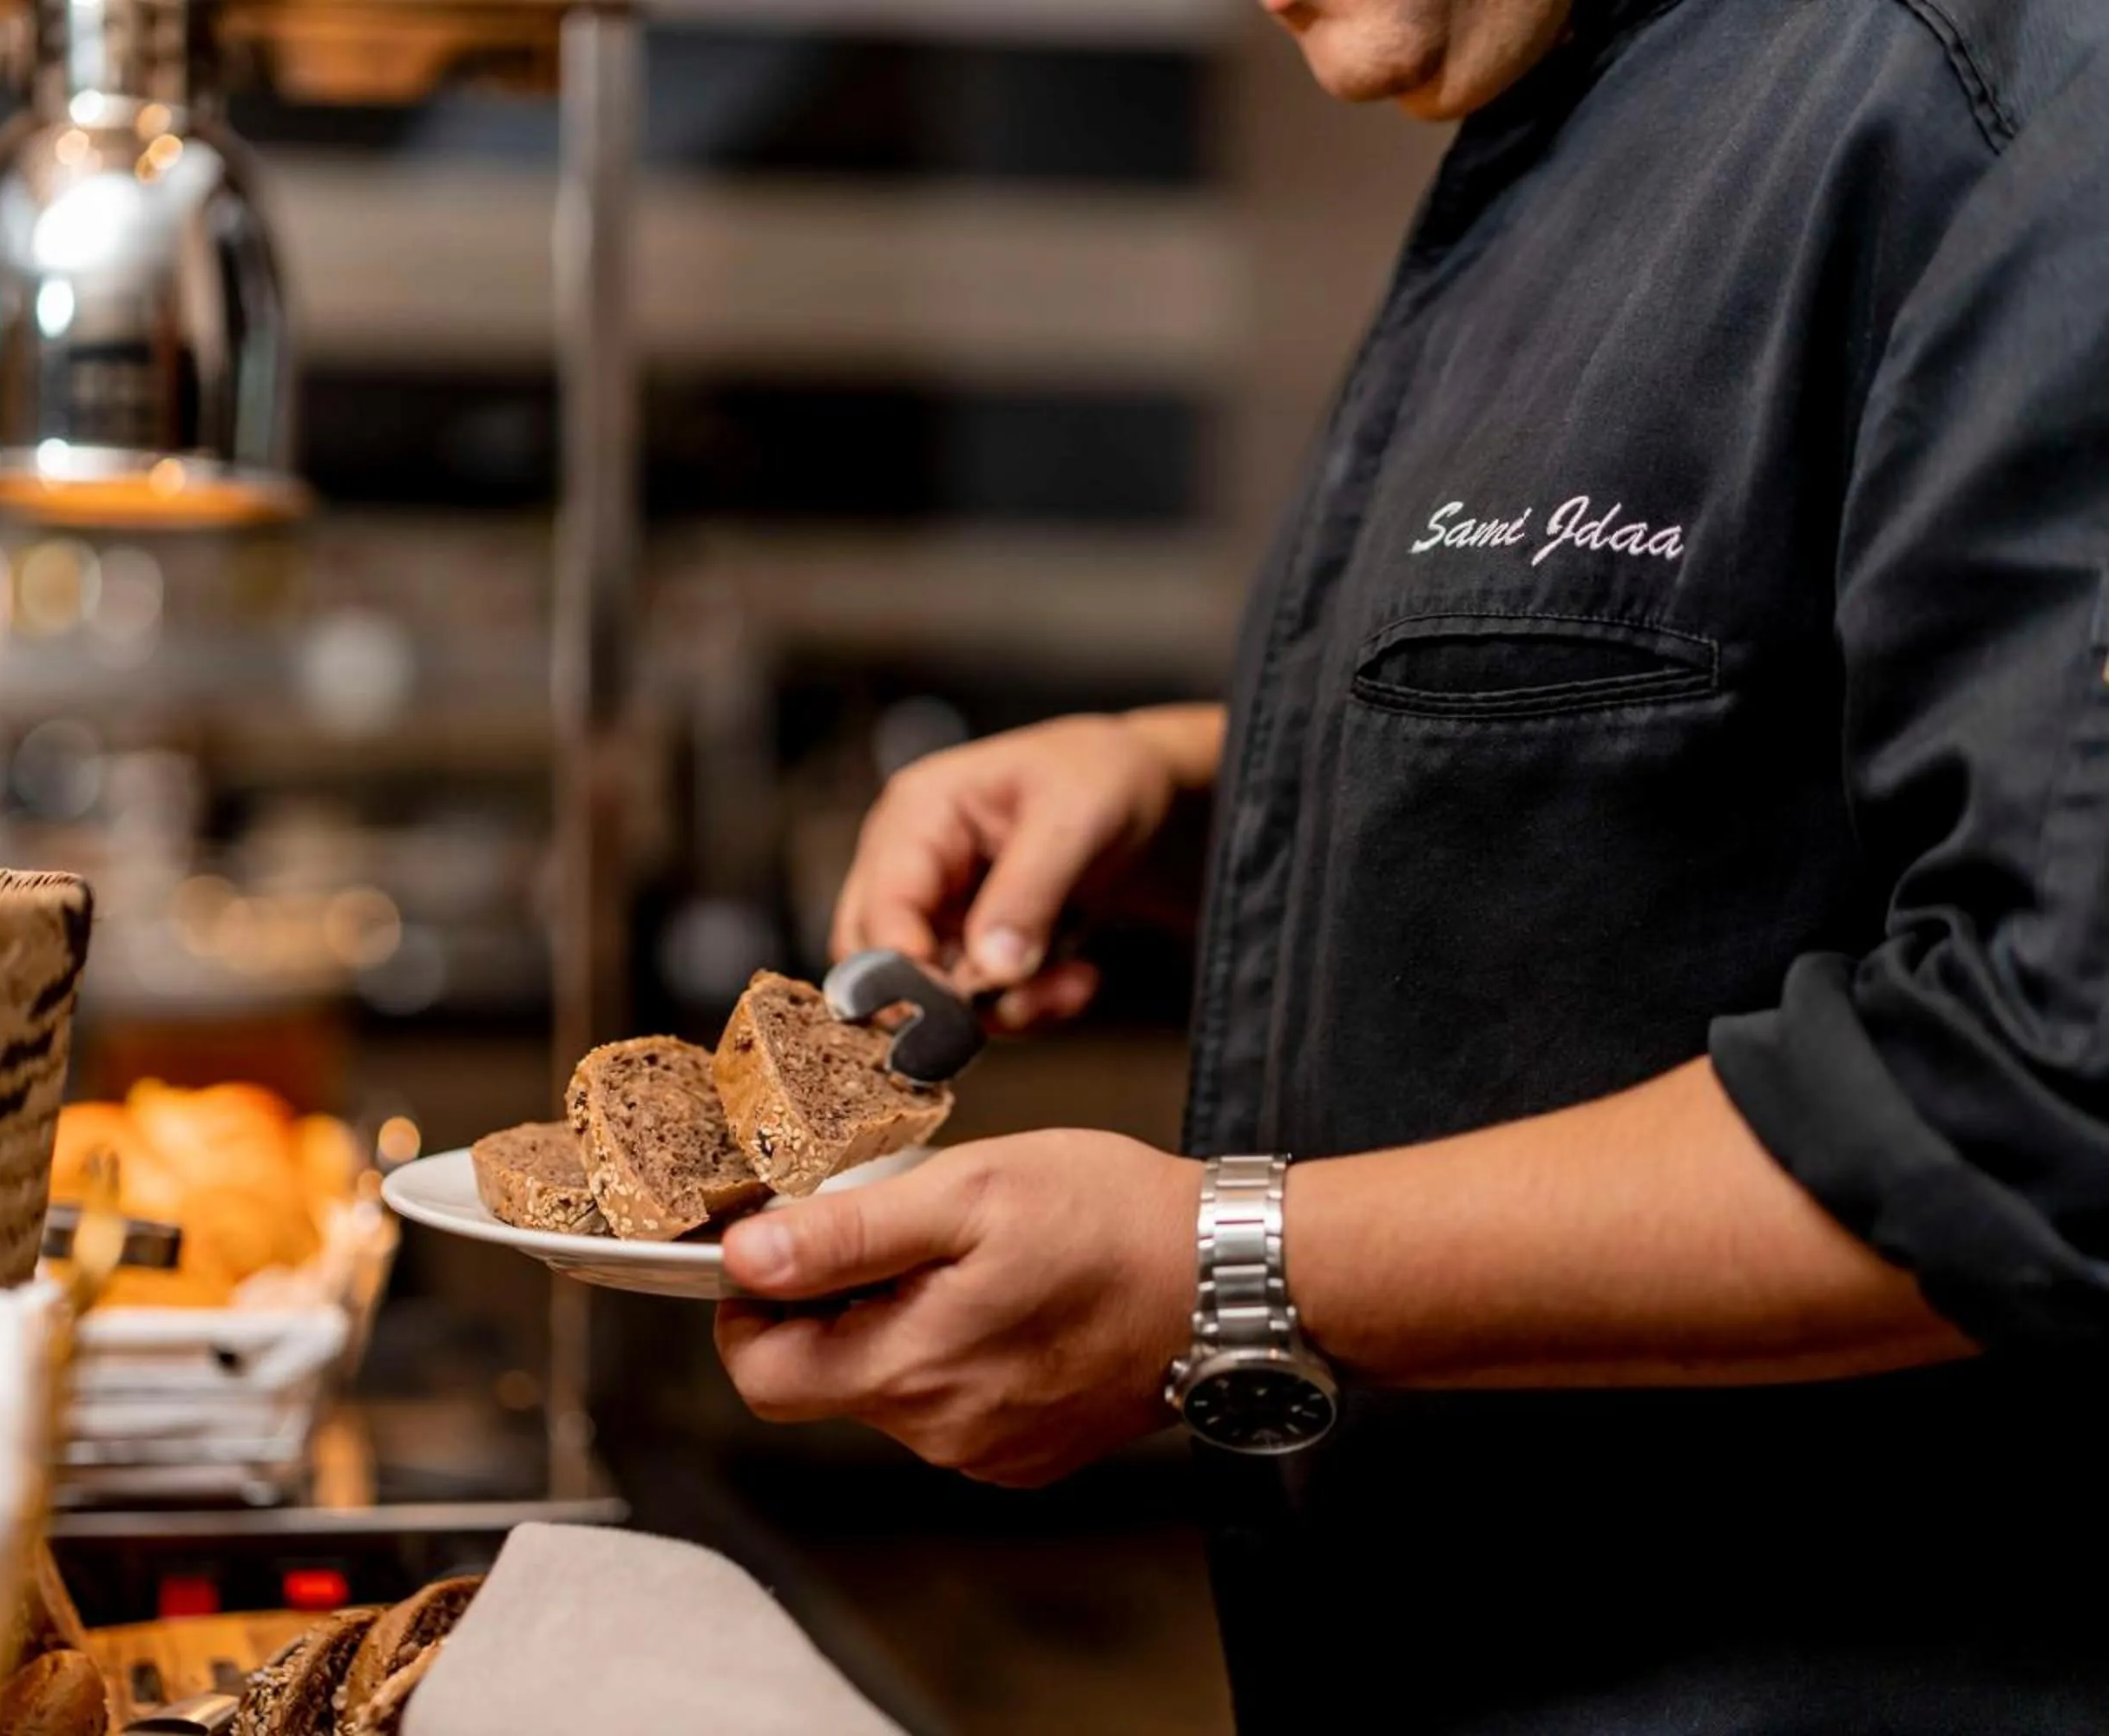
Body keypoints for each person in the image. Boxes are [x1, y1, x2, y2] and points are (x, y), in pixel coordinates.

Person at [710, 0, 2109, 1728]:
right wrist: (1187, 784)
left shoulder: (2005, 96)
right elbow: (1722, 774)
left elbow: (2042, 1094)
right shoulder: (1563, 112)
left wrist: (1220, 1263)